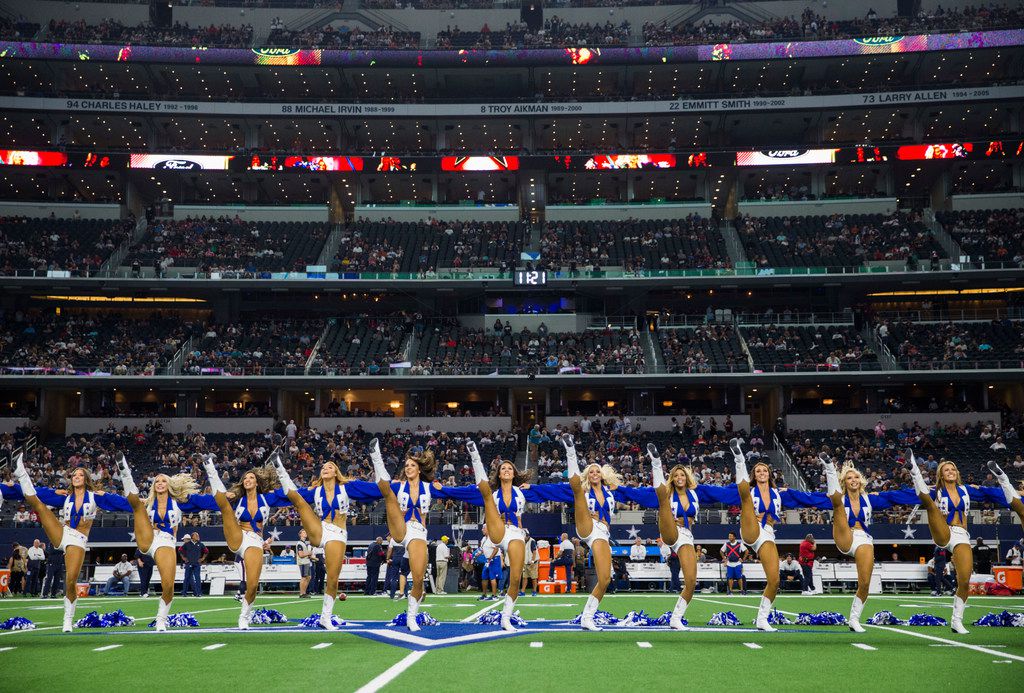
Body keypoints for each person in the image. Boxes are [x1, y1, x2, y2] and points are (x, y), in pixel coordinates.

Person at [3, 453, 132, 632]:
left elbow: (122, 503)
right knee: (39, 505)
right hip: (62, 533)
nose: (76, 477)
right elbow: (36, 493)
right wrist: (10, 486)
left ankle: (68, 619)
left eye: (80, 475)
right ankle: (22, 472)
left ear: (86, 479)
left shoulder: (95, 496)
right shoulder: (64, 496)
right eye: (74, 475)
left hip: (78, 540)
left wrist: (142, 502)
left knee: (70, 581)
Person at [271, 452, 380, 626]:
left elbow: (375, 490)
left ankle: (325, 617)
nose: (325, 469)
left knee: (332, 578)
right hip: (320, 530)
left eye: (329, 467)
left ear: (336, 472)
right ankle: (279, 467)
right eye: (323, 467)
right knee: (298, 500)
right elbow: (288, 495)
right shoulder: (315, 490)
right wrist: (269, 490)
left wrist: (392, 485)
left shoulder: (347, 487)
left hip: (337, 533)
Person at [906, 449, 1009, 634]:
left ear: (957, 473)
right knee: (928, 502)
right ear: (941, 474)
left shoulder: (966, 489)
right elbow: (912, 494)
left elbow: (989, 494)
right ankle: (914, 469)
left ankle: (956, 621)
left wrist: (1009, 488)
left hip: (961, 534)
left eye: (953, 469)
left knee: (964, 578)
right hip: (943, 531)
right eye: (946, 470)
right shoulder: (936, 490)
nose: (951, 471)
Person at [818, 454, 916, 632]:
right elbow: (808, 498)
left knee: (864, 583)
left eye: (856, 477)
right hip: (843, 535)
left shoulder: (870, 499)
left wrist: (927, 491)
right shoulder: (839, 497)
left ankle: (854, 619)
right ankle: (829, 469)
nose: (853, 480)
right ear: (844, 482)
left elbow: (895, 497)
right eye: (849, 477)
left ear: (861, 480)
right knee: (837, 502)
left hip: (863, 538)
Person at [199, 452, 290, 630]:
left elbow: (288, 494)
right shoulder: (237, 498)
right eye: (245, 478)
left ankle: (244, 616)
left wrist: (279, 469)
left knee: (253, 584)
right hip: (238, 535)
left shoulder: (267, 498)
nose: (247, 480)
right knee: (224, 503)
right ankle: (209, 465)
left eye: (251, 477)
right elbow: (220, 500)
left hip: (255, 541)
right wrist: (228, 496)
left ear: (256, 482)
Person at [115, 455, 203, 630]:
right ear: (154, 486)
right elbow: (122, 502)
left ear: (169, 484)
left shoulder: (179, 503)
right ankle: (124, 470)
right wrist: (104, 496)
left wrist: (224, 498)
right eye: (157, 481)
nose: (160, 483)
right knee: (136, 504)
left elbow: (203, 503)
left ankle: (161, 619)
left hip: (166, 541)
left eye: (163, 481)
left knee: (168, 585)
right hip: (148, 538)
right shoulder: (147, 503)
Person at [370, 439, 443, 632]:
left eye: (412, 465)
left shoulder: (429, 488)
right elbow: (378, 488)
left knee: (418, 578)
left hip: (418, 531)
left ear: (419, 469)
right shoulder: (398, 485)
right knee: (387, 491)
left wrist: (443, 489)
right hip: (400, 527)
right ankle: (375, 455)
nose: (408, 467)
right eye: (406, 465)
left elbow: (455, 493)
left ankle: (412, 617)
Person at [731, 438, 782, 631]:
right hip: (751, 528)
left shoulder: (779, 493)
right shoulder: (750, 490)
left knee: (775, 580)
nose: (761, 473)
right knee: (744, 495)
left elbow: (804, 498)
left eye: (765, 470)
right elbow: (721, 493)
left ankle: (762, 619)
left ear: (769, 474)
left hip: (767, 533)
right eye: (758, 471)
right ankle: (739, 458)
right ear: (754, 474)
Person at [179, 532, 208, 597]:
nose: (198, 536)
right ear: (192, 537)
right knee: (186, 578)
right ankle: (184, 593)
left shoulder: (200, 544)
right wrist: (183, 558)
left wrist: (202, 558)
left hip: (197, 564)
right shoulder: (187, 544)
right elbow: (180, 550)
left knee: (197, 578)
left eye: (198, 535)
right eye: (196, 535)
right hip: (189, 563)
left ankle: (198, 593)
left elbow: (206, 551)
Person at [522, 530, 539, 596]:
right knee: (524, 577)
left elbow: (534, 552)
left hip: (533, 562)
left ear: (527, 536)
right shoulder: (523, 541)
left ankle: (534, 591)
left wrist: (532, 561)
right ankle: (522, 591)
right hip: (526, 562)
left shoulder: (532, 541)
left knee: (533, 578)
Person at [296, 529, 313, 598]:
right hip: (302, 562)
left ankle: (304, 592)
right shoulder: (299, 543)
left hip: (306, 562)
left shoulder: (304, 543)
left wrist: (309, 555)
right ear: (300, 534)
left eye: (306, 532)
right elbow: (301, 555)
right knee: (303, 577)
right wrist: (309, 553)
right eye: (304, 532)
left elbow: (304, 554)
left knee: (308, 577)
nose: (305, 533)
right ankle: (301, 593)